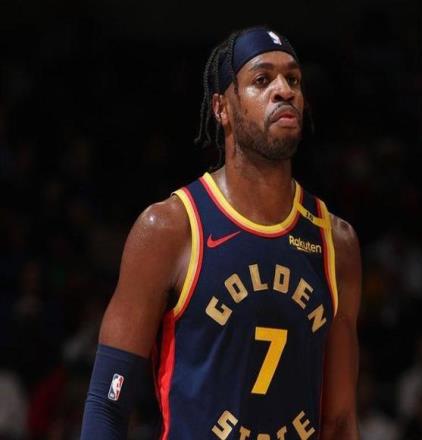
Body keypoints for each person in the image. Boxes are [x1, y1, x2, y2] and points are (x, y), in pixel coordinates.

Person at [80, 26, 362, 439]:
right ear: (221, 108)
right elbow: (108, 404)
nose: (284, 91)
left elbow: (339, 421)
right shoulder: (171, 228)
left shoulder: (335, 242)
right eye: (262, 80)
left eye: (293, 79)